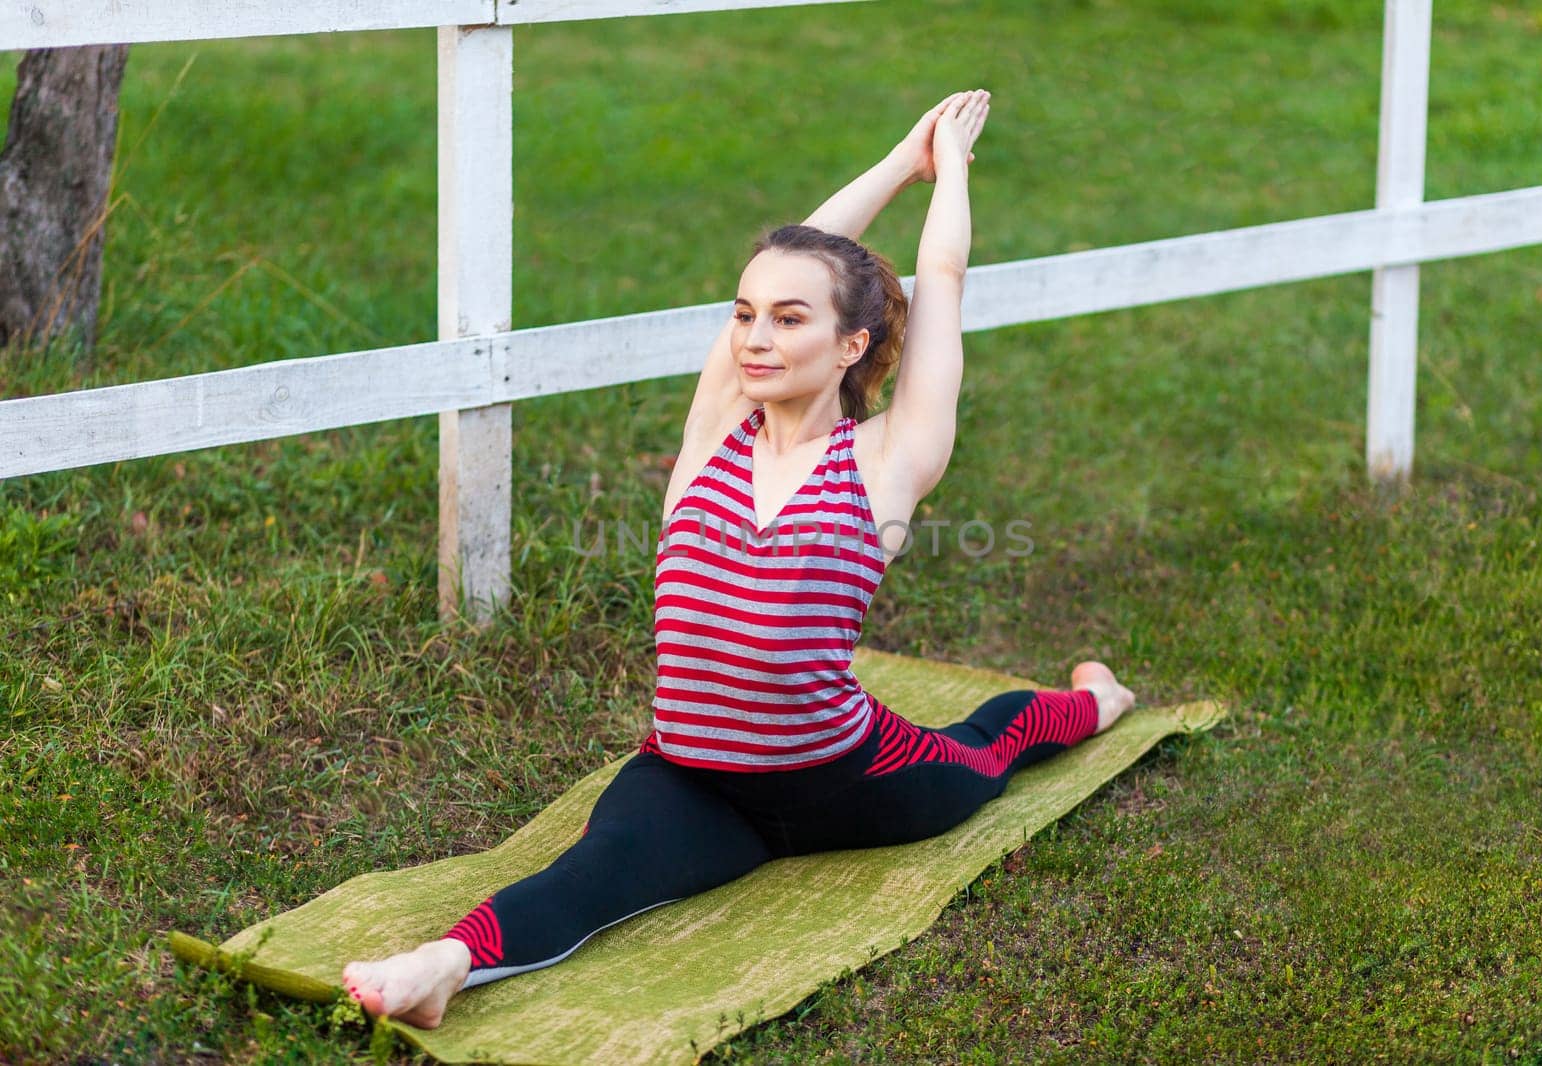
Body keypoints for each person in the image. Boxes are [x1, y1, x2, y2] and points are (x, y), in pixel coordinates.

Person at [343, 89, 1135, 1028]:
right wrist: (896, 161)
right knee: (589, 874)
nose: (758, 338)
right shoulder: (716, 431)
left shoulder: (884, 463)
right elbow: (798, 244)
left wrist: (950, 168)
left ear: (853, 344)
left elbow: (943, 277)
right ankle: (443, 966)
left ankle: (1099, 699)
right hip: (695, 777)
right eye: (745, 314)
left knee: (986, 749)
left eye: (790, 320)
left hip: (847, 777)